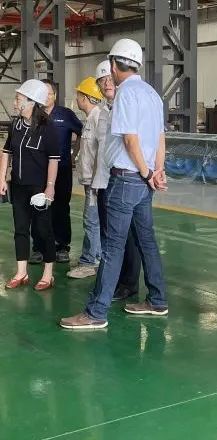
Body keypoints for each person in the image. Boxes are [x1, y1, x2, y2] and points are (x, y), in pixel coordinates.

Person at [60, 38, 168, 329]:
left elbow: (130, 140)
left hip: (127, 179)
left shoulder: (125, 95)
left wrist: (146, 172)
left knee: (112, 247)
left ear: (112, 64)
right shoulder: (152, 94)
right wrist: (156, 171)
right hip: (143, 183)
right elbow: (160, 137)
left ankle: (96, 313)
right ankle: (157, 300)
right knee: (147, 241)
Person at [0, 79, 60, 291]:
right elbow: (6, 152)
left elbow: (53, 159)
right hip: (18, 186)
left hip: (39, 189)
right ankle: (21, 272)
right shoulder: (16, 125)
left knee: (43, 230)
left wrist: (50, 186)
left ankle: (48, 274)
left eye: (18, 99)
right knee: (20, 229)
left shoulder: (48, 127)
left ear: (31, 102)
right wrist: (2, 178)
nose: (15, 102)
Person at [92, 59, 142, 300]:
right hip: (104, 181)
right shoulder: (99, 113)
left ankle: (128, 283)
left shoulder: (129, 104)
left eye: (109, 79)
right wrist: (92, 182)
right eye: (101, 81)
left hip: (125, 180)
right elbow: (96, 150)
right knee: (108, 236)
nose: (106, 84)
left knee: (128, 237)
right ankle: (112, 281)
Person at [29, 79, 83, 264]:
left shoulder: (65, 115)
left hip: (62, 169)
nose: (46, 97)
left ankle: (62, 246)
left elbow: (82, 133)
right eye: (42, 93)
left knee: (61, 207)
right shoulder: (33, 114)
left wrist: (74, 155)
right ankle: (39, 247)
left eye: (49, 93)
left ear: (55, 95)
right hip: (38, 170)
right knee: (38, 206)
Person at [66, 77, 105, 279]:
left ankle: (90, 262)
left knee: (91, 221)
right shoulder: (89, 120)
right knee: (93, 220)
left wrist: (97, 182)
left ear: (86, 97)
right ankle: (95, 257)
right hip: (89, 181)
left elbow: (102, 153)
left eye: (79, 95)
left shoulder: (98, 119)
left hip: (95, 183)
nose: (77, 98)